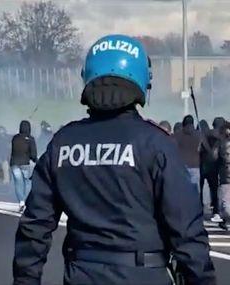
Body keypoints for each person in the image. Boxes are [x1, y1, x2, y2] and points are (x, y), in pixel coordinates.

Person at [13, 35, 215, 285]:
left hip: (81, 274)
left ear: (87, 77)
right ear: (143, 81)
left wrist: (25, 280)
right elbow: (186, 229)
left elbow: (35, 227)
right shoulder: (155, 143)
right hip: (144, 274)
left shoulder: (63, 143)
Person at [10, 120, 37, 212]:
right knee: (27, 182)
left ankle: (21, 201)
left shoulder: (15, 138)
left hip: (14, 163)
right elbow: (33, 154)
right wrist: (35, 160)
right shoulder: (30, 139)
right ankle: (25, 201)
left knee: (18, 183)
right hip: (25, 163)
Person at [174, 115, 202, 194]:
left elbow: (170, 147)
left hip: (182, 166)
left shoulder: (177, 135)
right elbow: (206, 149)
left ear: (183, 124)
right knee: (195, 192)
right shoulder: (199, 135)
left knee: (182, 191)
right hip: (195, 166)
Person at [218, 122, 230, 230]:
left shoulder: (223, 144)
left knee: (225, 202)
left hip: (226, 177)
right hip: (225, 176)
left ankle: (226, 221)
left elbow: (219, 158)